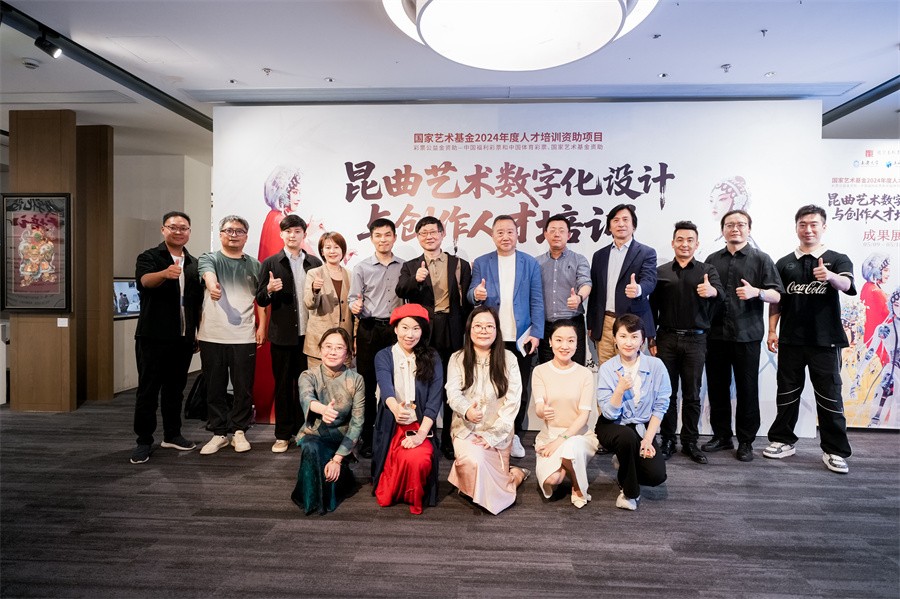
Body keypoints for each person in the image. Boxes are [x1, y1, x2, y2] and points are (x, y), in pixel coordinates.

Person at [764, 205, 856, 473]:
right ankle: (783, 441)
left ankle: (834, 450)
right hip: (791, 340)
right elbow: (777, 301)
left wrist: (830, 276)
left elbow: (847, 285)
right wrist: (772, 331)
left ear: (823, 227)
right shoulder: (784, 263)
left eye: (814, 224)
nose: (808, 229)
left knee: (830, 397)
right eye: (803, 224)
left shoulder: (837, 259)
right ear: (796, 227)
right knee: (787, 393)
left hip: (826, 341)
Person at [702, 209, 783, 462]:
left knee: (748, 389)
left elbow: (777, 295)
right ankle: (722, 436)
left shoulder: (761, 259)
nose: (735, 228)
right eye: (729, 225)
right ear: (722, 230)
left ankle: (746, 441)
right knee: (717, 388)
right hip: (715, 335)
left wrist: (757, 292)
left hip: (747, 335)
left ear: (749, 229)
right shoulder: (712, 259)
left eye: (740, 224)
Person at [129, 211, 203, 464]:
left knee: (175, 390)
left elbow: (195, 303)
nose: (178, 231)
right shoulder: (150, 256)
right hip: (153, 336)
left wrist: (196, 333)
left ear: (189, 232)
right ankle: (143, 441)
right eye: (173, 227)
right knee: (148, 391)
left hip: (183, 338)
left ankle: (172, 434)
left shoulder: (193, 263)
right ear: (163, 229)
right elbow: (144, 281)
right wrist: (165, 274)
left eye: (183, 228)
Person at [396, 216, 472, 460]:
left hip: (452, 328)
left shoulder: (459, 264)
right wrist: (415, 280)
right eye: (423, 233)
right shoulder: (410, 266)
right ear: (418, 237)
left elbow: (467, 301)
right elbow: (401, 290)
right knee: (424, 383)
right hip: (424, 330)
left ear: (442, 234)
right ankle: (424, 432)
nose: (429, 237)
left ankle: (449, 438)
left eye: (433, 232)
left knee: (452, 384)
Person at [468, 215, 544, 459]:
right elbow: (471, 294)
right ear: (493, 236)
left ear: (517, 234)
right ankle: (489, 431)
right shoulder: (482, 262)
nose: (505, 236)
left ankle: (515, 434)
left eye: (510, 231)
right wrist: (477, 294)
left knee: (518, 390)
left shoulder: (529, 263)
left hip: (521, 337)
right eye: (500, 232)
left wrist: (537, 333)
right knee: (489, 387)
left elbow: (537, 300)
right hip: (490, 337)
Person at [649, 221, 724, 464]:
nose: (685, 244)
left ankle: (690, 442)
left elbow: (721, 296)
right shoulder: (660, 272)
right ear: (673, 243)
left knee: (692, 394)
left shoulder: (707, 270)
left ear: (697, 244)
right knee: (667, 394)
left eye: (690, 240)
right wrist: (651, 337)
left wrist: (712, 291)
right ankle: (668, 440)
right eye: (680, 239)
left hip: (696, 339)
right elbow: (652, 307)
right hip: (666, 338)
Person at [446, 306, 530, 515]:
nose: (483, 330)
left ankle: (514, 476)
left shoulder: (509, 359)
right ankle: (500, 478)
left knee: (492, 482)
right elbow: (452, 393)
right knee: (473, 461)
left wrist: (493, 435)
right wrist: (467, 410)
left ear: (497, 330)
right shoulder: (457, 358)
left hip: (498, 431)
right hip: (466, 429)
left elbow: (513, 401)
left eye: (489, 326)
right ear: (469, 329)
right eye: (478, 326)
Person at [198, 215, 265, 455]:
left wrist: (262, 327)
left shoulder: (255, 265)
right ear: (220, 234)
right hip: (212, 335)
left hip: (244, 336)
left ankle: (239, 431)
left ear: (246, 236)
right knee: (214, 386)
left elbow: (261, 299)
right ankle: (218, 433)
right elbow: (208, 275)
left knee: (243, 387)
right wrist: (212, 286)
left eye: (239, 231)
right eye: (229, 230)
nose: (233, 235)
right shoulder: (210, 258)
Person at [256, 215, 322, 453]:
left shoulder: (314, 262)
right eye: (288, 231)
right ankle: (283, 435)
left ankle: (304, 431)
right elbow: (260, 298)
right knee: (283, 386)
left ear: (304, 234)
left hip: (310, 337)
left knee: (308, 387)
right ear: (281, 234)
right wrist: (269, 289)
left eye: (297, 231)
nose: (292, 235)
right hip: (283, 336)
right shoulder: (271, 263)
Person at [372, 304, 443, 514]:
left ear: (423, 331)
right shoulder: (384, 356)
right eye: (404, 328)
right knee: (395, 469)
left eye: (416, 328)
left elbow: (434, 401)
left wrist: (421, 435)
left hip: (421, 425)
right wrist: (395, 408)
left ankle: (415, 495)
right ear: (395, 329)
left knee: (418, 458)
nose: (409, 335)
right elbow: (385, 387)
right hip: (392, 425)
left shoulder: (432, 357)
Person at [596, 314, 671, 511]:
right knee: (626, 437)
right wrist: (619, 390)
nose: (628, 343)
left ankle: (624, 459)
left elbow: (661, 406)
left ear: (642, 340)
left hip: (641, 427)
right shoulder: (607, 369)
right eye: (623, 336)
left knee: (656, 476)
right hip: (612, 425)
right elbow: (609, 414)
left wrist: (648, 439)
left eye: (634, 337)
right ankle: (630, 493)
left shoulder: (656, 366)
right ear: (614, 339)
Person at [291, 328, 365, 515]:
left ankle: (342, 476)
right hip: (316, 434)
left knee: (333, 472)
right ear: (320, 349)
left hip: (342, 439)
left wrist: (337, 459)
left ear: (347, 353)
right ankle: (310, 502)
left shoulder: (356, 380)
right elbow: (306, 397)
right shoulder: (308, 375)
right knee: (311, 448)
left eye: (339, 348)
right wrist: (323, 409)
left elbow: (357, 422)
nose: (332, 352)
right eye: (328, 347)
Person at [348, 218, 404, 458]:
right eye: (378, 235)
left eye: (387, 235)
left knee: (396, 384)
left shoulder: (405, 266)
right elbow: (352, 298)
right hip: (369, 330)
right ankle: (368, 437)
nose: (383, 239)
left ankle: (393, 433)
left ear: (394, 237)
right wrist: (355, 306)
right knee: (368, 386)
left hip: (395, 330)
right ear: (372, 239)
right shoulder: (361, 268)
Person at [532, 320, 598, 508]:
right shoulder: (540, 371)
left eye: (570, 340)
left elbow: (583, 416)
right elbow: (539, 406)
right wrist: (542, 411)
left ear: (577, 343)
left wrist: (560, 441)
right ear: (550, 342)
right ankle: (567, 464)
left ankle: (577, 483)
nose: (565, 346)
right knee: (552, 480)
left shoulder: (585, 374)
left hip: (578, 436)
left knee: (570, 447)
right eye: (559, 340)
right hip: (549, 436)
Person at [586, 203, 657, 367]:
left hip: (632, 322)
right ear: (609, 226)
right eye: (616, 220)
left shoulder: (646, 252)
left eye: (626, 220)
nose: (621, 224)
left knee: (631, 371)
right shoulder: (599, 255)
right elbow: (595, 292)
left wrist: (638, 289)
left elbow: (650, 280)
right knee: (606, 370)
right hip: (605, 323)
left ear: (634, 225)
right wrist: (591, 323)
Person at [536, 214, 592, 366]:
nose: (556, 234)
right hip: (546, 326)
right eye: (552, 230)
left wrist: (579, 298)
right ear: (545, 234)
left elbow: (586, 283)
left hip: (573, 323)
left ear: (569, 235)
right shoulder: (536, 263)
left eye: (561, 231)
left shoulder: (579, 260)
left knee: (576, 369)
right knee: (547, 370)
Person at [303, 232, 352, 369]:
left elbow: (354, 310)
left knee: (343, 381)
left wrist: (354, 337)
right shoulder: (313, 273)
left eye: (336, 247)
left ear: (343, 250)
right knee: (317, 380)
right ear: (322, 252)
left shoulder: (350, 275)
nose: (332, 251)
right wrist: (315, 289)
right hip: (319, 344)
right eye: (328, 247)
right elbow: (309, 304)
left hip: (343, 344)